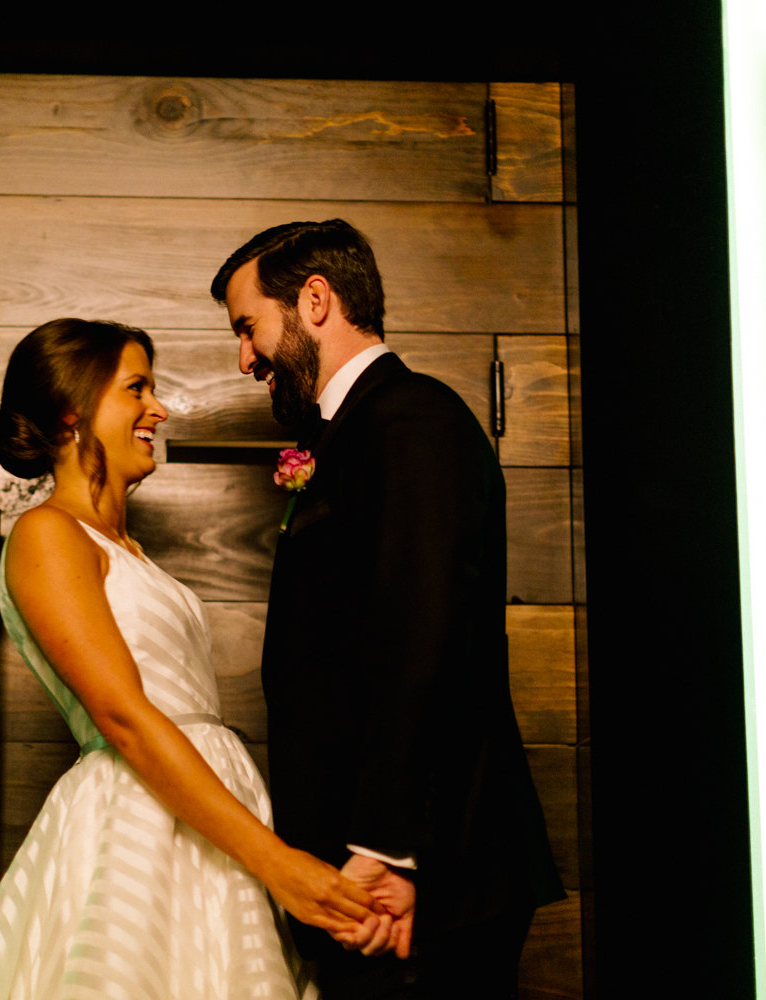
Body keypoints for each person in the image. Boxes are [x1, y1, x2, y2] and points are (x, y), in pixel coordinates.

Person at [0, 318, 390, 1000]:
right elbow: (123, 717)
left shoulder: (125, 548)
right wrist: (279, 866)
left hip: (212, 814)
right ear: (73, 413)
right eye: (137, 389)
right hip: (138, 821)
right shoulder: (48, 534)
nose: (158, 408)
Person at [210, 220, 567, 999]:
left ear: (313, 300)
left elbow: (422, 635)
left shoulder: (411, 419)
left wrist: (388, 848)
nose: (245, 358)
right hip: (374, 872)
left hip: (419, 879)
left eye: (248, 327)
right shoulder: (350, 433)